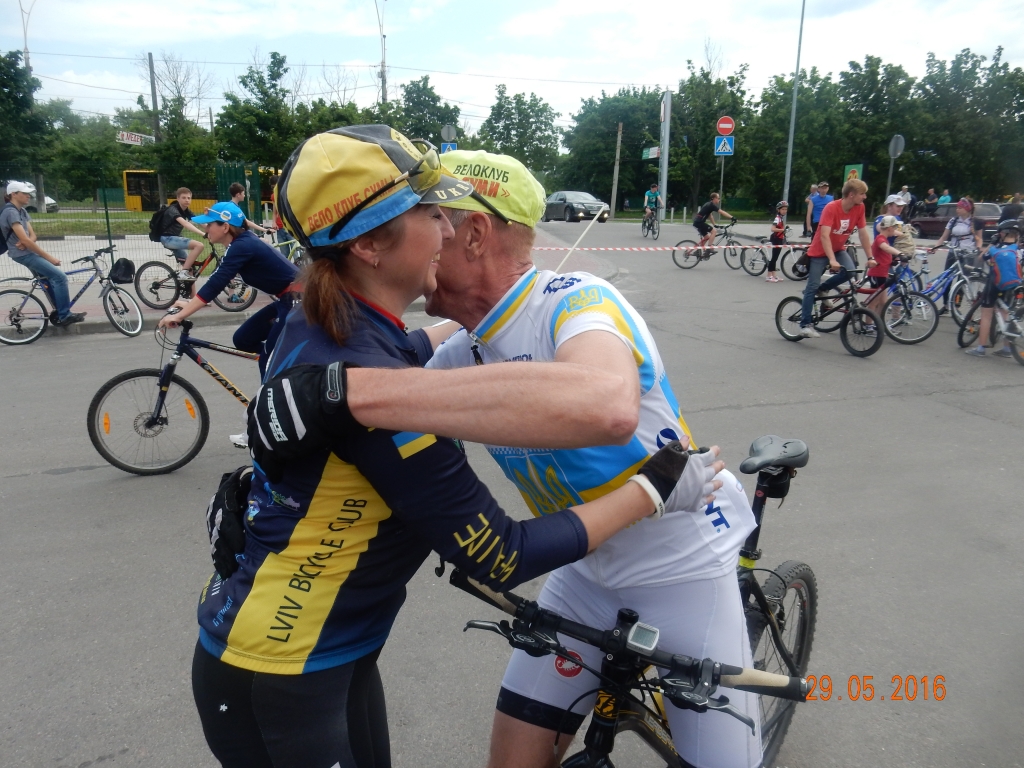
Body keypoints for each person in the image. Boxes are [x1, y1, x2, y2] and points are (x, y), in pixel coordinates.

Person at [193, 127, 724, 768]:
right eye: (430, 213)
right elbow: (501, 555)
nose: (446, 230)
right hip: (281, 665)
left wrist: (501, 305)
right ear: (368, 244)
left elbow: (416, 348)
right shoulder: (383, 392)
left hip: (326, 650)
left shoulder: (330, 322)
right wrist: (651, 490)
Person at [157, 201, 299, 377]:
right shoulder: (240, 244)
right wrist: (188, 305)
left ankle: (277, 379)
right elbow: (216, 281)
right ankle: (290, 363)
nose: (206, 229)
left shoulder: (242, 245)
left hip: (299, 299)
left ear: (225, 227)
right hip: (288, 299)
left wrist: (179, 316)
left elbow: (214, 285)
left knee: (269, 360)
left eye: (209, 224)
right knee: (243, 339)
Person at [0, 181, 85, 326]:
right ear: (13, 194)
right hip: (23, 255)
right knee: (60, 277)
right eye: (25, 193)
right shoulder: (10, 212)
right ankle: (64, 315)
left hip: (27, 251)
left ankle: (59, 311)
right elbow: (26, 240)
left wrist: (26, 241)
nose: (28, 196)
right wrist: (49, 258)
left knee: (48, 279)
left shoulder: (21, 211)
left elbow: (32, 236)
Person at [798, 178, 874, 338]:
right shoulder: (831, 207)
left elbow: (863, 233)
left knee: (850, 271)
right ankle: (805, 324)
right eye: (862, 194)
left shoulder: (859, 207)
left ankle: (823, 289)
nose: (865, 197)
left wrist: (870, 256)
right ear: (851, 195)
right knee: (812, 286)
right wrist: (832, 260)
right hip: (819, 251)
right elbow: (824, 236)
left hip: (838, 249)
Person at [964, 219, 1021, 358]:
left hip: (994, 285)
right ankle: (1007, 348)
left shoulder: (994, 250)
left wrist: (991, 244)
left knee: (986, 316)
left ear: (1001, 233)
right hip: (1014, 285)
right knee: (1006, 314)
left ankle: (980, 348)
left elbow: (981, 258)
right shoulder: (1018, 250)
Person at [159, 187, 207, 282]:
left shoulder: (186, 210)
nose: (187, 200)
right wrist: (203, 234)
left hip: (175, 238)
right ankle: (182, 273)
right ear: (178, 198)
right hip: (167, 238)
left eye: (189, 198)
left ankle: (189, 289)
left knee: (190, 270)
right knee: (199, 245)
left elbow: (199, 221)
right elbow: (185, 223)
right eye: (184, 198)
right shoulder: (173, 210)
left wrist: (212, 230)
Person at [865, 215, 902, 320]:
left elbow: (883, 255)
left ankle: (878, 322)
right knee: (874, 303)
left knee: (883, 302)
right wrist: (900, 254)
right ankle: (868, 325)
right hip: (877, 274)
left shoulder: (884, 239)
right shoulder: (880, 239)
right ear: (890, 228)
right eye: (895, 228)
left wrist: (892, 261)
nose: (895, 230)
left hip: (882, 274)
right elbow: (886, 248)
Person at [767, 200, 787, 282]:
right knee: (774, 258)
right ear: (778, 210)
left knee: (775, 258)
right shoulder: (777, 218)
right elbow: (772, 229)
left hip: (779, 239)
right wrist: (782, 230)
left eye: (785, 209)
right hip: (776, 239)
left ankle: (774, 275)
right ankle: (769, 276)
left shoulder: (780, 218)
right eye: (783, 209)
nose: (784, 211)